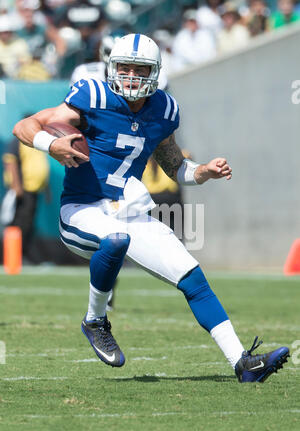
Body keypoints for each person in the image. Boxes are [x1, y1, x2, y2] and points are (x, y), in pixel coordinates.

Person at [13, 33, 289, 382]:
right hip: (81, 210)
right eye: (124, 68)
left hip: (127, 211)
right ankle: (95, 320)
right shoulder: (92, 94)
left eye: (138, 69)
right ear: (111, 68)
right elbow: (24, 126)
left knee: (192, 275)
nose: (130, 76)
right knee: (114, 240)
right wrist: (50, 144)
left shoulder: (165, 109)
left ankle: (243, 363)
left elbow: (174, 166)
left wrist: (202, 171)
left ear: (154, 73)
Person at [1, 132, 50, 263]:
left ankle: (22, 255)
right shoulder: (18, 141)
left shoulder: (37, 143)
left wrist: (47, 190)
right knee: (19, 224)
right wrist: (16, 185)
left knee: (28, 224)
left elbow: (41, 166)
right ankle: (14, 257)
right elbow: (10, 161)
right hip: (22, 190)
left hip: (34, 190)